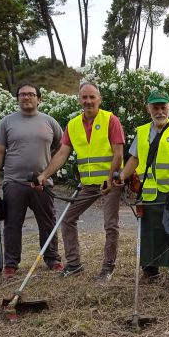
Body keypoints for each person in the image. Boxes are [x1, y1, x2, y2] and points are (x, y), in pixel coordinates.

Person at [37, 82, 124, 282]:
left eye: (92, 97)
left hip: (109, 183)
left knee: (110, 225)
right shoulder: (73, 125)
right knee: (68, 219)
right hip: (88, 184)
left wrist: (110, 178)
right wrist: (44, 175)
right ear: (79, 100)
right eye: (84, 98)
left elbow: (118, 154)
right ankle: (74, 264)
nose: (88, 101)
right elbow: (62, 154)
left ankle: (108, 268)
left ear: (99, 99)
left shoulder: (111, 120)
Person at [117, 90, 169, 280]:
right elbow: (135, 159)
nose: (160, 111)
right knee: (150, 232)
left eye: (163, 107)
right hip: (150, 194)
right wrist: (121, 176)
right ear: (149, 109)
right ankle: (150, 269)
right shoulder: (142, 131)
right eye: (155, 107)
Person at [0, 83, 64, 278]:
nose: (26, 97)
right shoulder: (7, 122)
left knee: (48, 222)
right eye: (22, 94)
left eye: (31, 94)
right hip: (14, 182)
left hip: (42, 183)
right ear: (17, 99)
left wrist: (47, 171)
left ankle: (53, 259)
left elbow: (61, 149)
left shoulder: (49, 122)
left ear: (39, 99)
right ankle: (11, 264)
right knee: (13, 223)